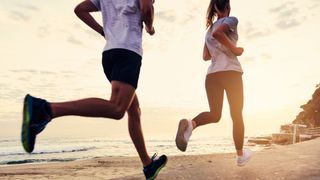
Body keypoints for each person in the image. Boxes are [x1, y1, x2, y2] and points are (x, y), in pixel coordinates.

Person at [21, 0, 167, 179]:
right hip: (128, 52)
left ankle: (148, 164)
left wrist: (103, 31)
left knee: (134, 110)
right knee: (117, 108)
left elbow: (80, 10)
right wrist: (150, 27)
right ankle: (45, 109)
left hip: (109, 54)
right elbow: (146, 9)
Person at [175, 0, 252, 166]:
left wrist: (218, 51)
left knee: (215, 114)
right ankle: (240, 155)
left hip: (212, 75)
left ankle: (191, 124)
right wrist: (234, 49)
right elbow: (219, 34)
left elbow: (205, 56)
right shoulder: (231, 20)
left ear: (215, 8)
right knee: (236, 114)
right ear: (227, 7)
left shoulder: (208, 30)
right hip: (230, 72)